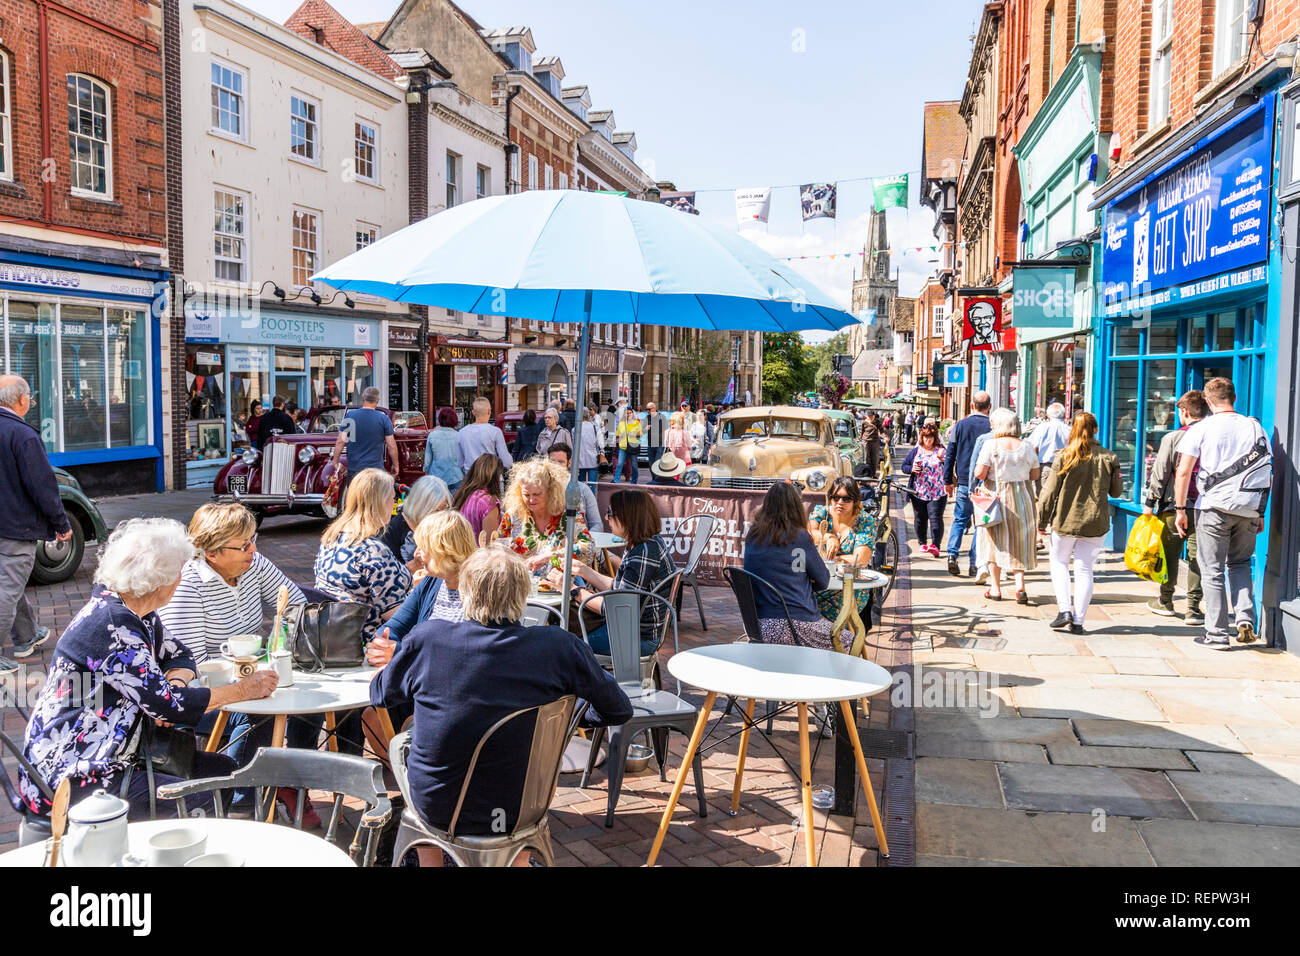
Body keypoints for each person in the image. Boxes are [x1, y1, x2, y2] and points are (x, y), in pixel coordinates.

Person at [370, 547, 632, 866]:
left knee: (407, 743)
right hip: (522, 805)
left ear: (465, 592)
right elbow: (618, 709)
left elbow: (381, 695)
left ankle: (431, 862)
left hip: (442, 806)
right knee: (514, 768)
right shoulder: (559, 646)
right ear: (523, 595)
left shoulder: (428, 638)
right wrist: (569, 719)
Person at [19, 519, 278, 820]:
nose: (181, 579)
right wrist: (244, 689)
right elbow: (169, 707)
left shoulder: (136, 613)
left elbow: (179, 655)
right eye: (178, 572)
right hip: (74, 775)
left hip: (117, 753)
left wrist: (174, 686)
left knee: (225, 772)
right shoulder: (114, 625)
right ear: (160, 579)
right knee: (203, 795)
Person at [157, 504, 320, 821]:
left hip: (250, 677)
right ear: (212, 553)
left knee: (305, 703)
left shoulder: (253, 565)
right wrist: (244, 686)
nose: (253, 549)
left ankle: (295, 781)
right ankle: (242, 804)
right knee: (256, 715)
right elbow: (190, 666)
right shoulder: (189, 586)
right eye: (243, 545)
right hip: (195, 695)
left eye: (253, 539)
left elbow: (295, 606)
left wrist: (281, 638)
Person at [1174, 377, 1272, 649]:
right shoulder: (1255, 427)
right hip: (1249, 507)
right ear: (1235, 398)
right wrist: (1260, 511)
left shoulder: (1202, 428)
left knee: (1212, 570)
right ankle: (1245, 620)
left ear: (1207, 401)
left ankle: (1217, 634)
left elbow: (1184, 472)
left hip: (1214, 507)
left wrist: (1181, 509)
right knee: (1240, 563)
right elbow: (1268, 470)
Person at [0, 376, 71, 673]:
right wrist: (60, 522)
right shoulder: (22, 434)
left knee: (9, 583)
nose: (31, 400)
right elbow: (42, 485)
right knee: (7, 588)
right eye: (31, 395)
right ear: (20, 400)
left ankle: (27, 635)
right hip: (15, 526)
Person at [553, 489, 676, 656]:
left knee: (563, 645)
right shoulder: (645, 543)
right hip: (633, 630)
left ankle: (589, 680)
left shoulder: (643, 552)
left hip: (635, 638)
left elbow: (617, 609)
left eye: (610, 513)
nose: (606, 518)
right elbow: (620, 588)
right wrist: (583, 570)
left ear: (628, 516)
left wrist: (573, 590)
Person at [1037, 412, 1121, 635]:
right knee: (1085, 569)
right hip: (1096, 522)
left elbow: (1048, 493)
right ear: (1095, 430)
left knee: (1059, 563)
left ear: (1072, 429)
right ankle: (1078, 621)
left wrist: (1041, 521)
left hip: (1065, 520)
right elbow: (1117, 491)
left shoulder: (1064, 456)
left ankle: (1064, 610)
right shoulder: (1109, 457)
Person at [745, 482, 853, 652]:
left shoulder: (753, 535)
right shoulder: (799, 537)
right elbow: (823, 581)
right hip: (794, 624)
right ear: (796, 507)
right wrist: (804, 582)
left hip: (757, 625)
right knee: (849, 639)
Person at [314, 468, 413, 642]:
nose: (395, 504)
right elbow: (395, 614)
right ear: (381, 502)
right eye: (392, 498)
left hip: (333, 633)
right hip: (368, 641)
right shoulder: (373, 550)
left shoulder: (332, 538)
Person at [1142, 390, 1208, 623]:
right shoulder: (1212, 435)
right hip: (1205, 507)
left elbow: (1159, 474)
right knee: (1197, 557)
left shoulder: (1173, 438)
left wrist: (1150, 502)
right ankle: (1193, 608)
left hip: (1174, 506)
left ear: (1184, 412)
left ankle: (1166, 601)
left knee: (1169, 554)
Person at [973, 408, 1040, 603]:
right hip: (1022, 499)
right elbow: (1035, 475)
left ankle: (995, 588)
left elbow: (979, 473)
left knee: (994, 543)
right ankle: (1020, 587)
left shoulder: (990, 445)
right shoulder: (1027, 446)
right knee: (1019, 541)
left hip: (996, 499)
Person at [496, 458, 594, 569]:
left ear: (551, 491)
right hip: (521, 583)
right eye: (527, 495)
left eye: (537, 494)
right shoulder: (513, 516)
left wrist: (551, 556)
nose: (531, 500)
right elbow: (498, 550)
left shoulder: (568, 516)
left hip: (558, 582)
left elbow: (589, 550)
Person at [807, 474, 876, 625]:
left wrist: (830, 559)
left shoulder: (864, 521)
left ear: (855, 500)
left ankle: (833, 641)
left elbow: (860, 560)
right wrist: (829, 538)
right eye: (835, 497)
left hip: (849, 587)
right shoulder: (822, 512)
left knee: (814, 611)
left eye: (846, 499)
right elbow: (808, 534)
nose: (839, 502)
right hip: (818, 582)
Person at [944, 391, 993, 578]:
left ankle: (952, 554)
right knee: (980, 524)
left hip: (964, 480)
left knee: (959, 519)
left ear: (972, 405)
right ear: (989, 407)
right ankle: (975, 563)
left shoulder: (960, 425)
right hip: (986, 482)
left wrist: (947, 480)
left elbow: (950, 453)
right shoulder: (992, 427)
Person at [901, 422, 948, 556]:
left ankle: (935, 545)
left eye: (931, 437)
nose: (928, 440)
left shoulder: (940, 451)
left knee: (935, 518)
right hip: (919, 491)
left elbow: (949, 467)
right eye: (926, 437)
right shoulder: (916, 451)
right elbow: (904, 466)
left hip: (937, 491)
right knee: (920, 518)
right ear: (922, 437)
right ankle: (922, 543)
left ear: (935, 438)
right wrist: (912, 469)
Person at [330, 386, 397, 478]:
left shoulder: (350, 416)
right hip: (376, 469)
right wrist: (395, 464)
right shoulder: (384, 419)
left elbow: (341, 441)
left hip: (355, 469)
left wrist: (335, 461)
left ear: (363, 398)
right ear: (377, 400)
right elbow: (391, 445)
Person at [387, 475, 451, 570]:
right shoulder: (394, 529)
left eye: (445, 508)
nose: (442, 515)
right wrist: (414, 566)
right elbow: (390, 575)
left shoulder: (442, 526)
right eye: (436, 510)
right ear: (421, 506)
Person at [548, 443, 603, 534]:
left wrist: (584, 539)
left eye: (560, 462)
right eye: (553, 462)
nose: (556, 466)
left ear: (569, 463)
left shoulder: (583, 489)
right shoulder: (541, 490)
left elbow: (597, 525)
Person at [454, 453, 505, 546]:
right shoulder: (490, 503)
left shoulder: (463, 495)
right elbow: (490, 543)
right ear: (495, 477)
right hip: (479, 557)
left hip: (461, 553)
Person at [457, 397, 514, 472]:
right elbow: (507, 462)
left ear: (473, 412)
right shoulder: (495, 431)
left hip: (471, 479)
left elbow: (460, 463)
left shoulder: (462, 432)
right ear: (489, 411)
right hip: (491, 477)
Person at [1028, 403, 1071, 487]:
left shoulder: (1042, 428)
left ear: (1047, 415)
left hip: (1045, 468)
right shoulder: (1069, 429)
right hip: (1063, 467)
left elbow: (1034, 448)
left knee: (1042, 496)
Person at [423, 407, 464, 491]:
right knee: (455, 503)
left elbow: (427, 459)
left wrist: (426, 471)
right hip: (456, 476)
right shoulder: (459, 436)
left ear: (440, 419)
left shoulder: (432, 435)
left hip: (436, 477)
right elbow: (463, 459)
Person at [614, 405, 642, 484]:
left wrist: (633, 434)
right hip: (623, 446)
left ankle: (634, 482)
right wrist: (620, 436)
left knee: (634, 466)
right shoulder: (622, 423)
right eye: (627, 413)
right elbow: (617, 435)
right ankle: (616, 480)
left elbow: (640, 434)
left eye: (630, 413)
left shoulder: (637, 423)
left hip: (633, 446)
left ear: (633, 414)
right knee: (619, 464)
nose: (629, 414)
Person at [576, 407, 601, 483]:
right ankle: (592, 494)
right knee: (592, 484)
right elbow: (600, 444)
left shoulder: (575, 429)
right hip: (593, 459)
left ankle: (582, 495)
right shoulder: (595, 428)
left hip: (580, 460)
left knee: (581, 485)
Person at [643, 402, 667, 469]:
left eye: (649, 409)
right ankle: (654, 478)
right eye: (646, 409)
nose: (647, 411)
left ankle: (657, 479)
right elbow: (642, 431)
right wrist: (645, 429)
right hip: (650, 444)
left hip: (659, 444)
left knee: (657, 463)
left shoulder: (662, 417)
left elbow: (666, 430)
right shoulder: (647, 418)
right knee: (651, 464)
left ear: (654, 408)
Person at [859, 411, 882, 479]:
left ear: (874, 416)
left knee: (874, 459)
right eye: (869, 416)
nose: (870, 417)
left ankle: (873, 474)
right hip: (866, 441)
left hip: (874, 441)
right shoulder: (864, 422)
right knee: (866, 458)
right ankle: (867, 474)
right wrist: (860, 440)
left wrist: (885, 437)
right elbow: (862, 432)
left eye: (872, 416)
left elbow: (882, 431)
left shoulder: (877, 422)